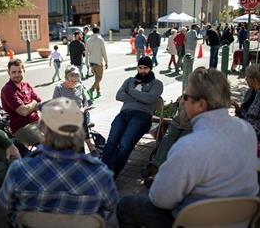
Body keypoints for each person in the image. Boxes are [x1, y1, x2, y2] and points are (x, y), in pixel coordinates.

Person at [117, 67, 259, 228]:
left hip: (195, 222)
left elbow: (160, 199)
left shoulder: (189, 146)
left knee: (125, 204)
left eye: (186, 97)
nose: (182, 102)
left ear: (201, 105)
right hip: (239, 220)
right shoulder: (246, 130)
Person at [0, 97, 118, 226]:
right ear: (80, 128)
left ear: (42, 128)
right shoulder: (100, 173)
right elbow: (108, 209)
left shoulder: (19, 169)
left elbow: (5, 204)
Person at [102, 56, 163, 179]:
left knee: (124, 144)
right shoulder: (130, 80)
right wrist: (141, 96)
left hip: (142, 116)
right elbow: (119, 96)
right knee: (111, 143)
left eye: (145, 68)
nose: (142, 70)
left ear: (150, 69)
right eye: (140, 67)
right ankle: (102, 175)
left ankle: (110, 176)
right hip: (123, 114)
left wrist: (131, 92)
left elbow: (150, 98)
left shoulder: (157, 83)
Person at [52, 65, 99, 156]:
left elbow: (86, 102)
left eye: (76, 81)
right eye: (72, 81)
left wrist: (83, 108)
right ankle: (91, 148)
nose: (74, 83)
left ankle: (87, 151)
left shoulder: (79, 86)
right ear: (66, 78)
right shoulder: (59, 88)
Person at [1, 58, 41, 147]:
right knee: (46, 144)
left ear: (24, 71)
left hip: (36, 122)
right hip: (21, 127)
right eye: (14, 72)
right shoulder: (7, 90)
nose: (17, 75)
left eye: (19, 71)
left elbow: (39, 101)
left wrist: (30, 106)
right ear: (8, 72)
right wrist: (33, 103)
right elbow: (23, 111)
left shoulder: (27, 85)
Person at [232, 64, 260, 139]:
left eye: (247, 76)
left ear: (253, 79)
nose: (245, 79)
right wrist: (238, 110)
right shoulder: (250, 92)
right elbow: (246, 116)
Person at [86, 26, 108, 101]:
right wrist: (106, 62)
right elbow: (104, 52)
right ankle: (91, 90)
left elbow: (86, 53)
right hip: (98, 61)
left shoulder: (88, 40)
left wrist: (87, 64)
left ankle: (98, 92)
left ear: (92, 31)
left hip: (91, 62)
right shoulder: (100, 39)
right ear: (98, 32)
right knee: (99, 78)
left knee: (96, 78)